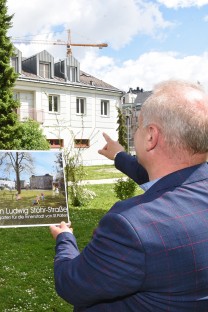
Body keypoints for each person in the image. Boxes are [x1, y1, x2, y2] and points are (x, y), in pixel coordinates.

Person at [50, 79, 208, 311]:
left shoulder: (131, 226)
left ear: (151, 137)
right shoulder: (191, 189)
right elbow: (166, 181)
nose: (135, 132)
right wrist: (119, 156)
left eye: (138, 126)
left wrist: (64, 239)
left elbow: (71, 284)